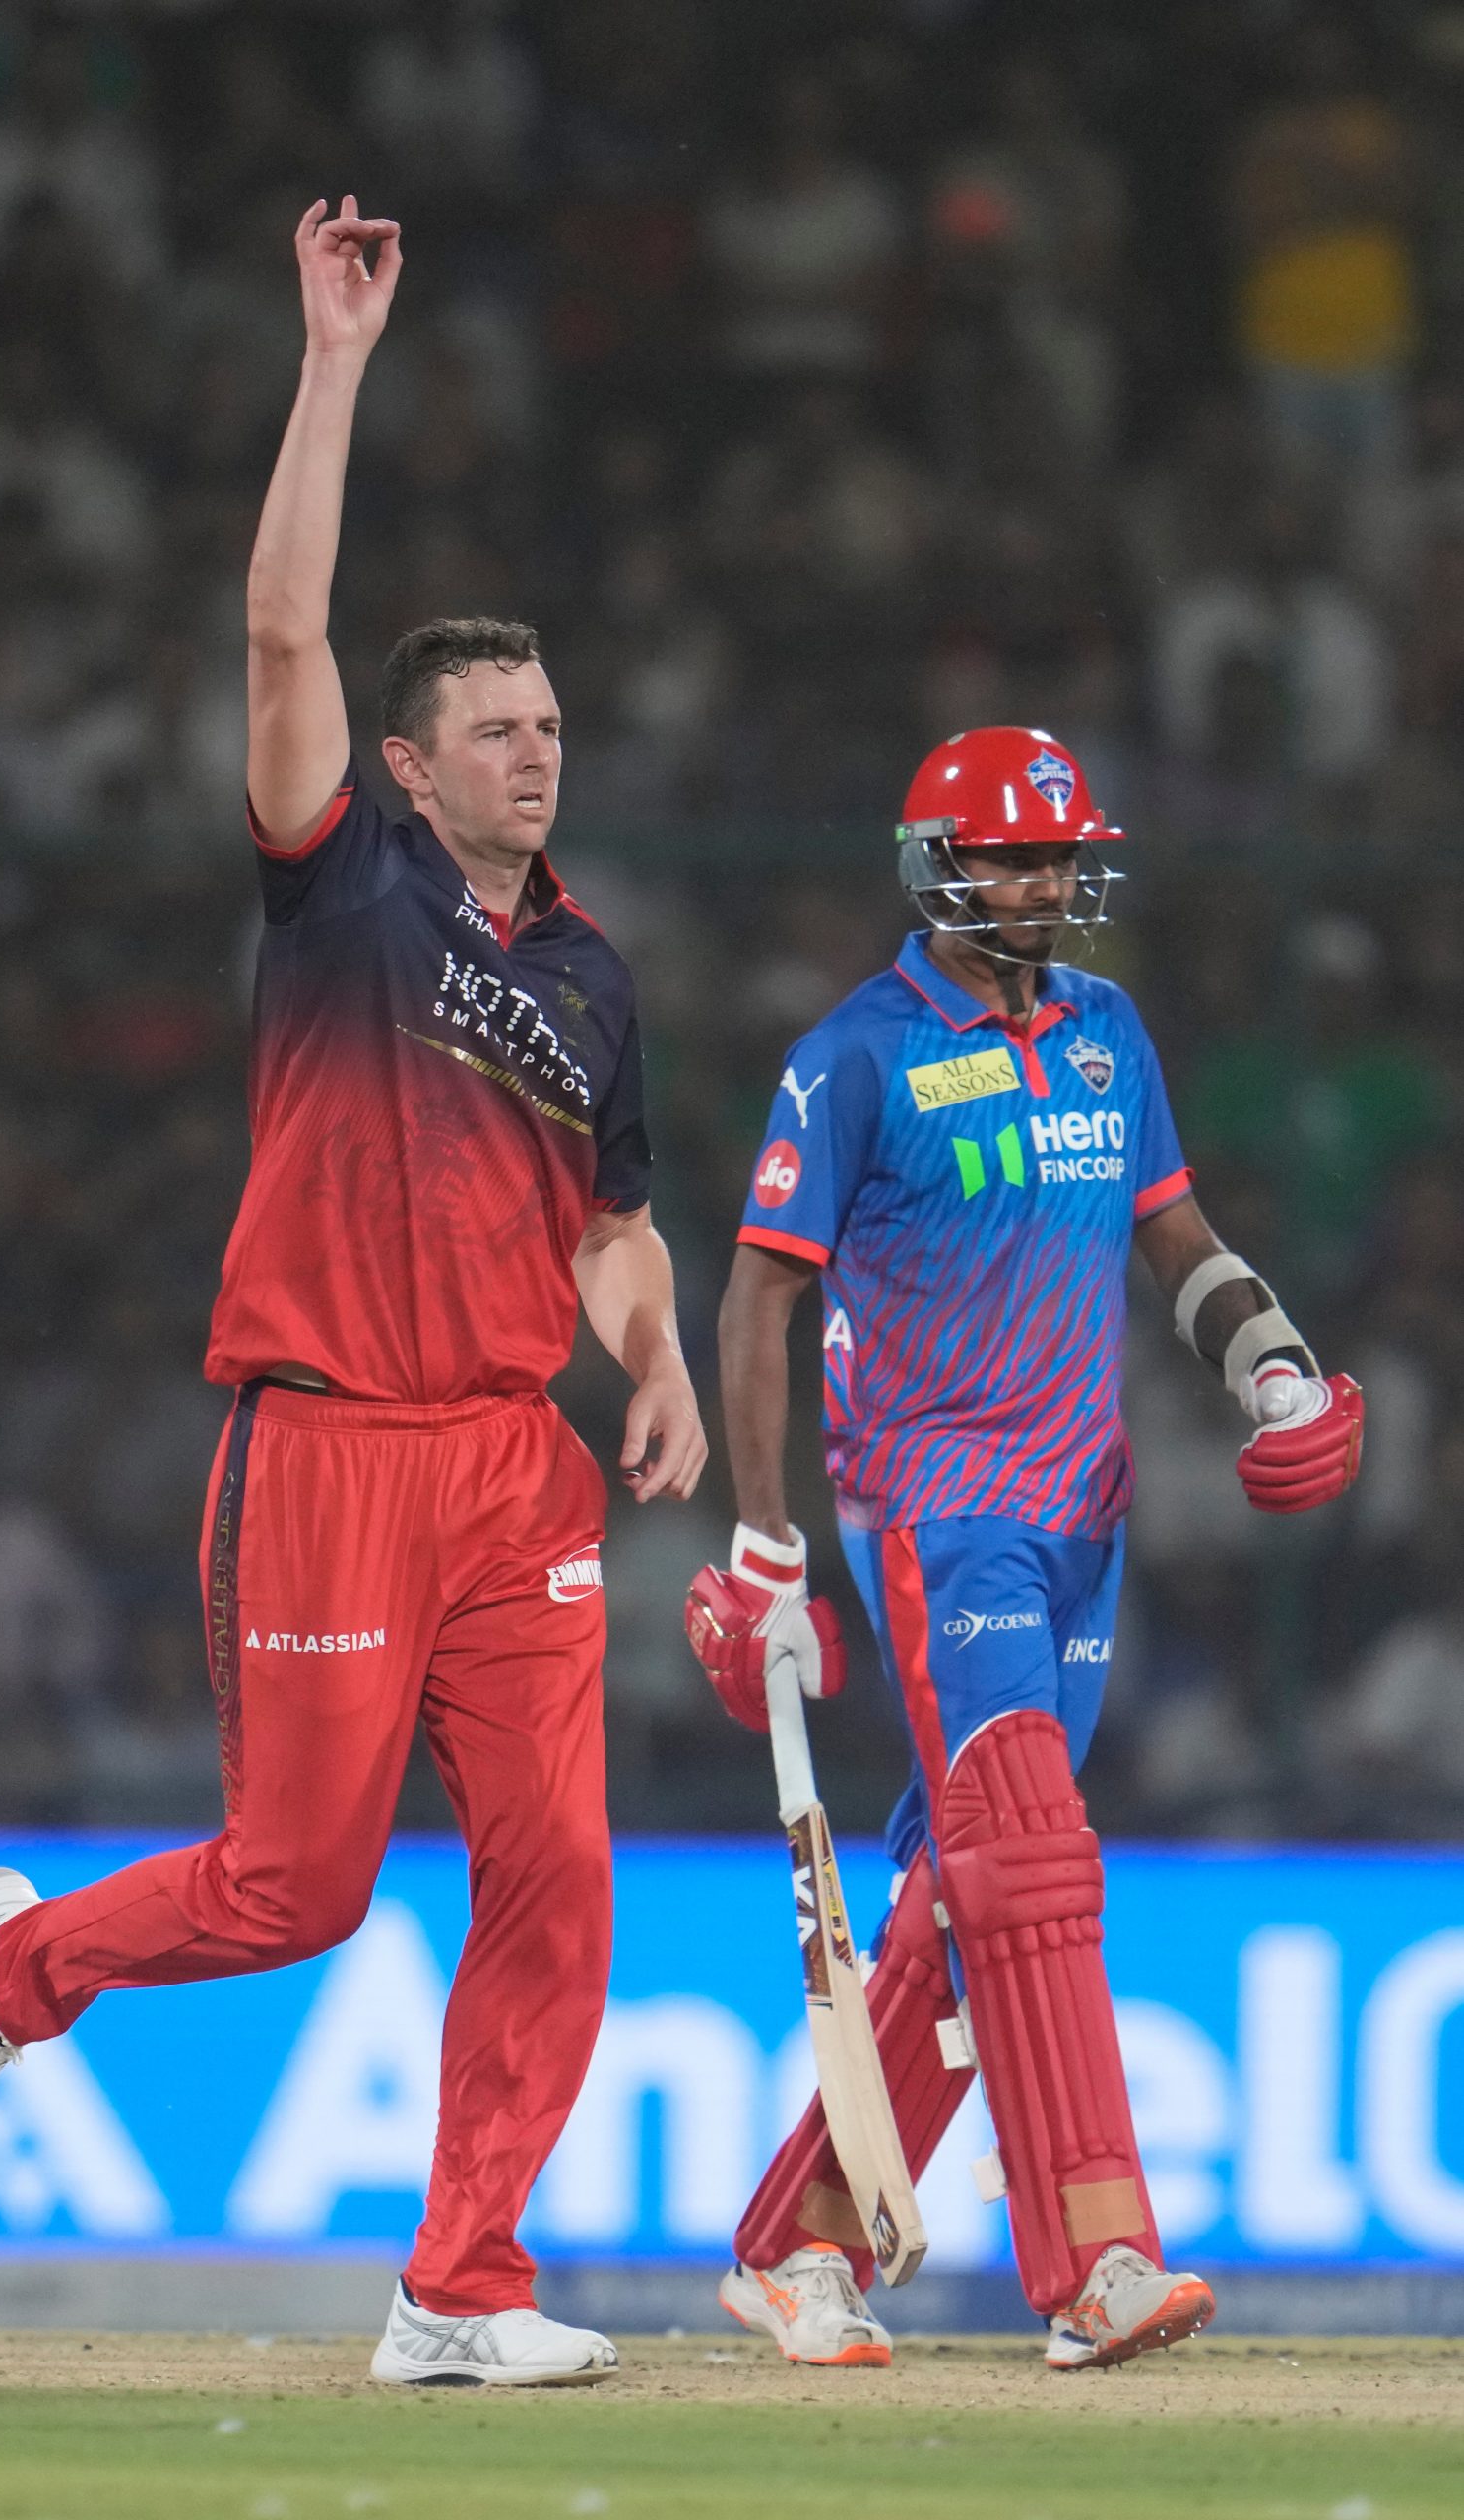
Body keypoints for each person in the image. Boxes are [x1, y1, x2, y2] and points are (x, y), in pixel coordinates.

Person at [0, 195, 707, 2389]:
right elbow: (274, 631)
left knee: (556, 1875)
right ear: (410, 764)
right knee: (295, 1884)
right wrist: (333, 363)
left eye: (552, 720)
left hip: (507, 1469)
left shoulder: (601, 980)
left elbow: (615, 1221)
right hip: (322, 1439)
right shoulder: (338, 881)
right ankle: (5, 1971)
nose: (538, 746)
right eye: (497, 725)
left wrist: (651, 1350)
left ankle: (457, 2287)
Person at [685, 725, 1361, 2371]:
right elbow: (760, 1292)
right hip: (935, 1510)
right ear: (941, 865)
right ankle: (1096, 2262)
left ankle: (794, 2249)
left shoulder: (1109, 1031)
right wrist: (767, 1544)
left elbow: (1176, 1237)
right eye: (1017, 857)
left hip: (1086, 1514)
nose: (1050, 883)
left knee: (966, 1887)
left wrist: (1270, 1367)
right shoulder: (854, 1056)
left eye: (1064, 857)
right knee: (1041, 1866)